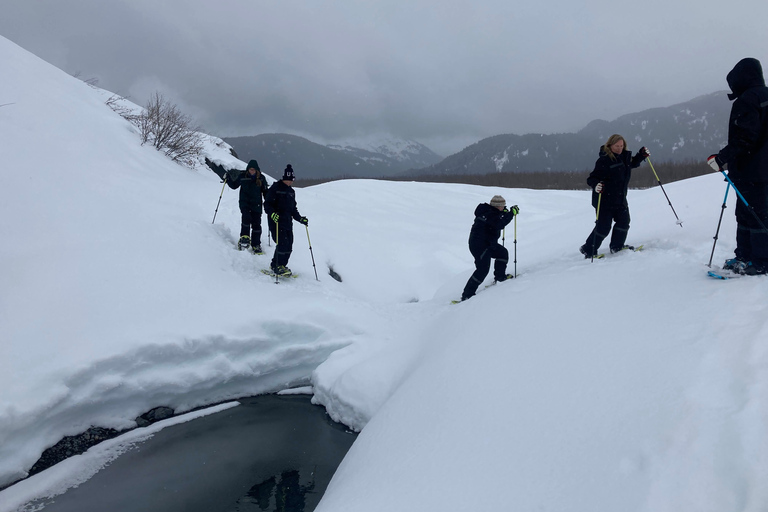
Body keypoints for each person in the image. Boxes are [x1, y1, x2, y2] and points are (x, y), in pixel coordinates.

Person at [708, 57, 768, 276]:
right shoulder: (764, 95)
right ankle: (745, 255)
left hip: (750, 169)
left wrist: (721, 158)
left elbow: (744, 138)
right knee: (752, 213)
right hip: (759, 169)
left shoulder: (747, 100)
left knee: (751, 214)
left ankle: (758, 261)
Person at [579, 135, 649, 258]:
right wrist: (596, 185)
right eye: (617, 146)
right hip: (604, 200)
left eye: (621, 146)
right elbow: (592, 178)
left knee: (624, 222)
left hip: (620, 198)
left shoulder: (624, 157)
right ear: (610, 146)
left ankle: (617, 246)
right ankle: (588, 250)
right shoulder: (604, 160)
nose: (619, 148)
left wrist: (641, 155)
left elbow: (631, 163)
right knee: (603, 227)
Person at [460, 195, 519, 301]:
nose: (504, 207)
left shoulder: (490, 211)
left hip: (487, 243)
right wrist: (511, 214)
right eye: (502, 206)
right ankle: (467, 295)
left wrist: (504, 213)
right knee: (482, 269)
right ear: (498, 206)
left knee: (502, 253)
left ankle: (500, 277)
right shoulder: (489, 214)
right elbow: (499, 224)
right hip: (479, 245)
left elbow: (496, 220)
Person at [206, 158, 269, 253]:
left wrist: (268, 200)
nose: (252, 171)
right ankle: (245, 238)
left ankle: (256, 244)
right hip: (245, 202)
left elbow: (265, 191)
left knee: (256, 224)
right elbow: (234, 185)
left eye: (253, 169)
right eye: (250, 169)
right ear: (248, 169)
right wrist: (227, 179)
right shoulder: (242, 176)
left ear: (257, 170)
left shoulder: (261, 178)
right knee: (246, 219)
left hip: (257, 204)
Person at [264, 165, 308, 276]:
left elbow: (293, 209)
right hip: (276, 222)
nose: (289, 182)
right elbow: (267, 204)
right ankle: (275, 266)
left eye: (291, 180)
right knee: (282, 243)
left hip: (288, 222)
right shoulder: (275, 188)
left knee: (289, 245)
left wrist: (300, 219)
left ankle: (282, 265)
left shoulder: (291, 192)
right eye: (287, 180)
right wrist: (272, 214)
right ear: (283, 178)